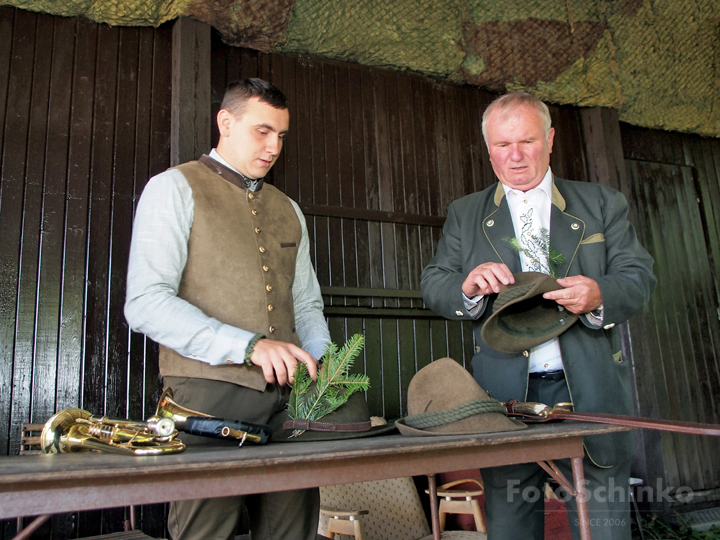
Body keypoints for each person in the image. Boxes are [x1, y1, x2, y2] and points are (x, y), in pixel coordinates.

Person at [420, 92, 656, 540]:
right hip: (504, 397)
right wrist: (467, 286)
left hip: (591, 391)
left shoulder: (602, 203)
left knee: (604, 529)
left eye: (526, 141)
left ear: (549, 139)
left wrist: (599, 292)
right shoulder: (466, 213)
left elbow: (639, 275)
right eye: (501, 145)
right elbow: (435, 282)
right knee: (510, 528)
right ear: (487, 147)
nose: (515, 156)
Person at [125, 78, 331, 540]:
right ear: (226, 122)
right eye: (263, 131)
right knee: (206, 534)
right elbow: (144, 303)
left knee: (292, 533)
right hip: (204, 400)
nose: (274, 146)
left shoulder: (289, 209)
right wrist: (249, 346)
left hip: (291, 403)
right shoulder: (172, 188)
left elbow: (306, 304)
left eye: (281, 135)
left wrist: (324, 362)